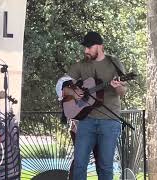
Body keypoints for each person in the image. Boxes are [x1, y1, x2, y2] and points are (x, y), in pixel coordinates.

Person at [56, 31, 127, 180]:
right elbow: (61, 85)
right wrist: (74, 93)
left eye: (89, 47)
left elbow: (123, 92)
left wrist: (117, 86)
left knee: (105, 166)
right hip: (86, 120)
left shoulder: (114, 63)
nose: (85, 50)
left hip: (110, 121)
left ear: (100, 46)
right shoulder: (81, 65)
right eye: (85, 47)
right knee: (79, 164)